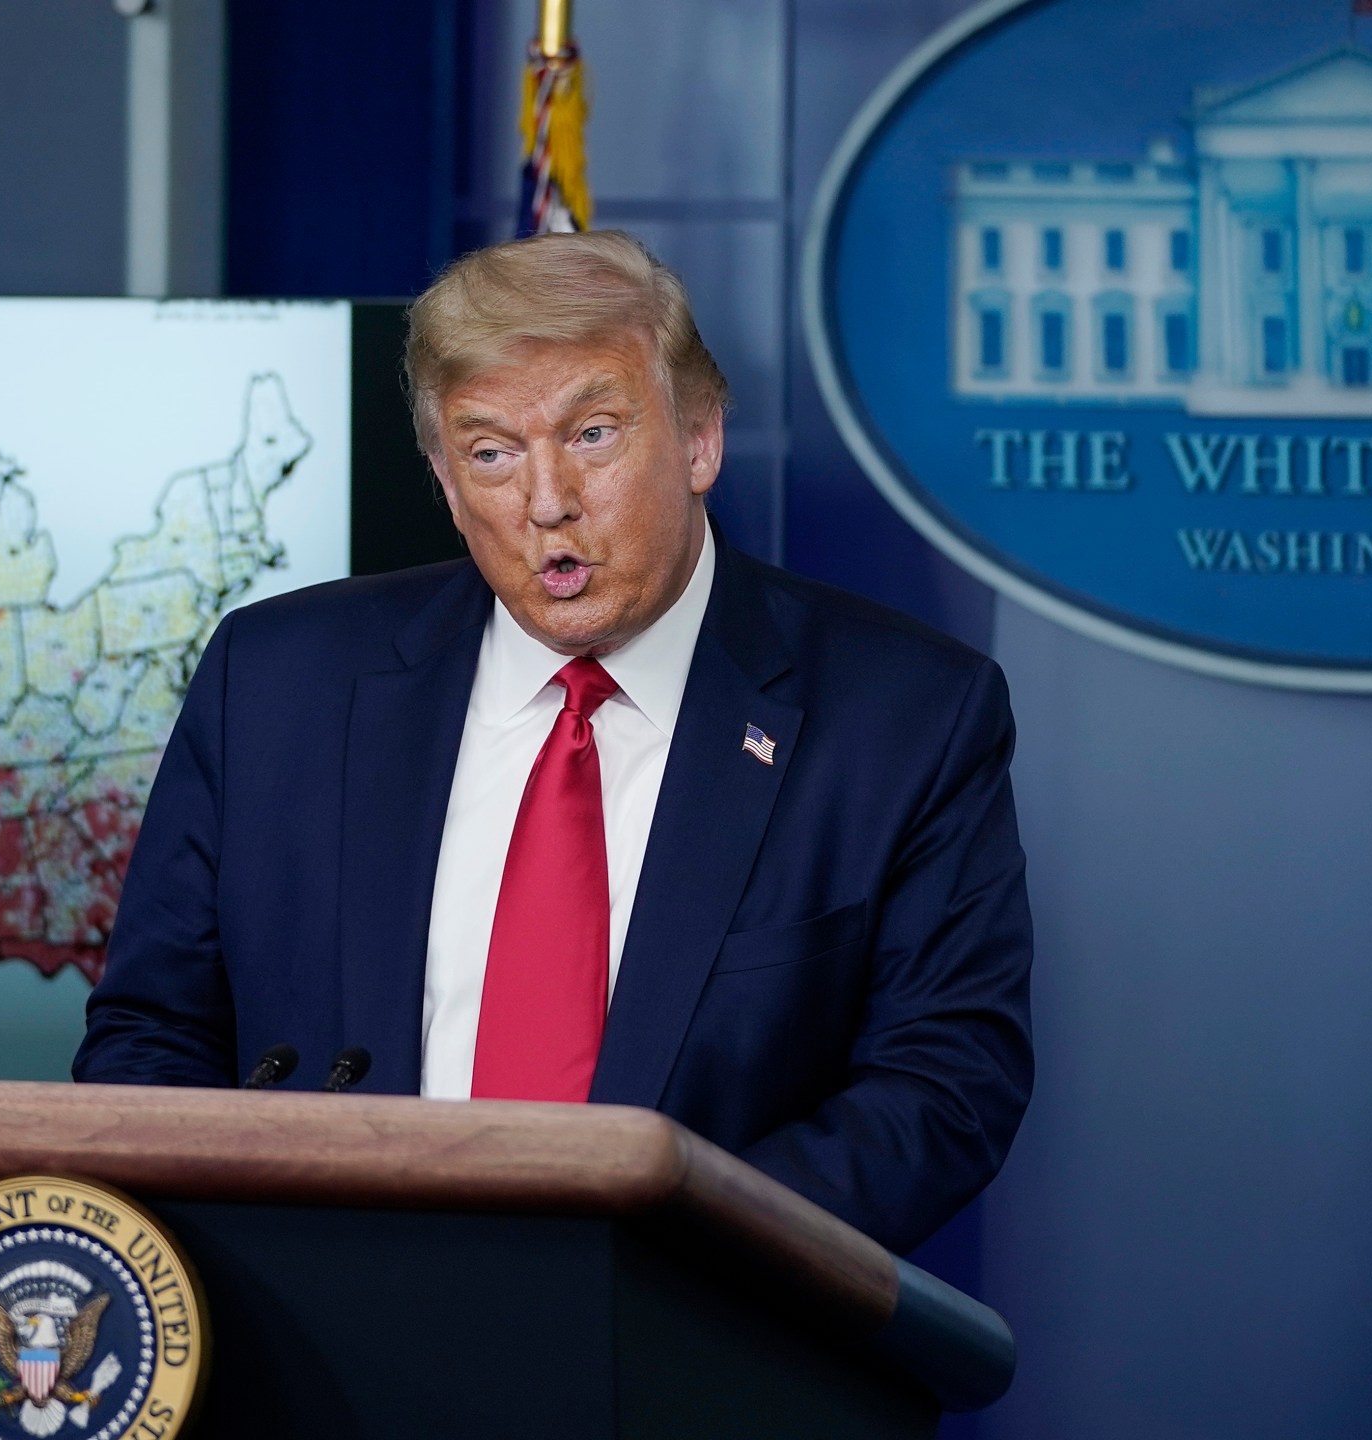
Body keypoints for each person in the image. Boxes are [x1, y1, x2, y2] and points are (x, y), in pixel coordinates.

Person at [73, 231, 1032, 1252]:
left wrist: (654, 1268)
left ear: (699, 438)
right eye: (491, 453)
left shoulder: (906, 715)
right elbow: (151, 1038)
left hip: (698, 1350)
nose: (545, 502)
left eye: (592, 435)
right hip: (333, 1344)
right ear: (445, 482)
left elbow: (940, 1089)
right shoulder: (273, 683)